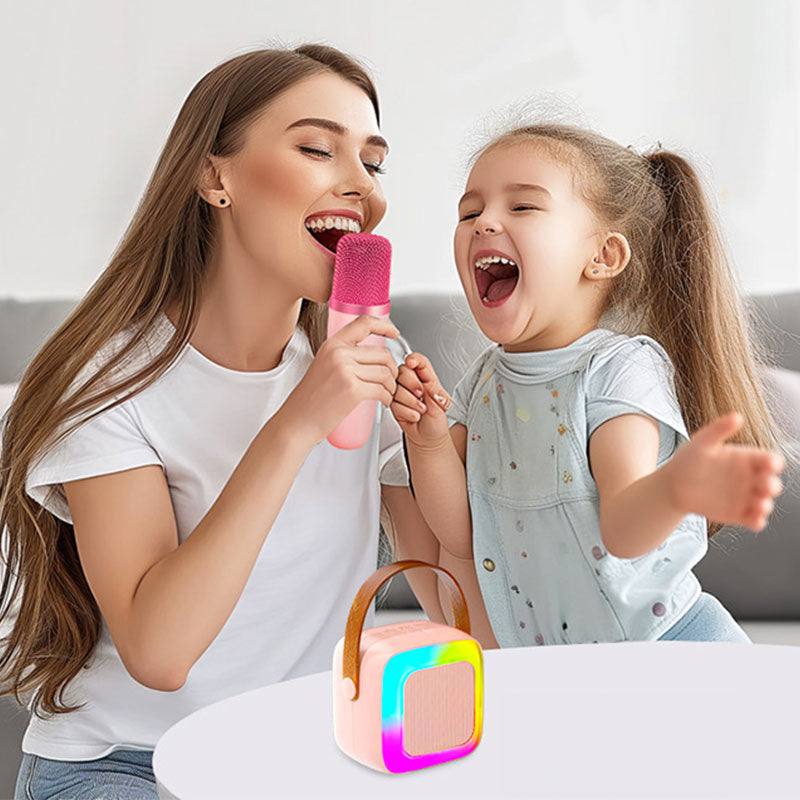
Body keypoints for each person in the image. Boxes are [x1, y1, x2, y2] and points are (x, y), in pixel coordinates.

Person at [2, 45, 475, 800]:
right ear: (215, 178)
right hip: (127, 765)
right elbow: (160, 652)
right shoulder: (111, 381)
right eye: (319, 149)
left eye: (374, 164)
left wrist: (431, 454)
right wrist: (293, 426)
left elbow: (458, 612)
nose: (361, 187)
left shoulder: (364, 357)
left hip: (298, 760)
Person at [390, 122, 785, 650]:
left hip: (672, 649)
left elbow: (623, 530)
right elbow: (460, 533)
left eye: (523, 207)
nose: (485, 222)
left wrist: (677, 489)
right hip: (572, 669)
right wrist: (428, 439)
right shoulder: (482, 383)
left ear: (602, 257)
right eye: (470, 211)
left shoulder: (620, 370)